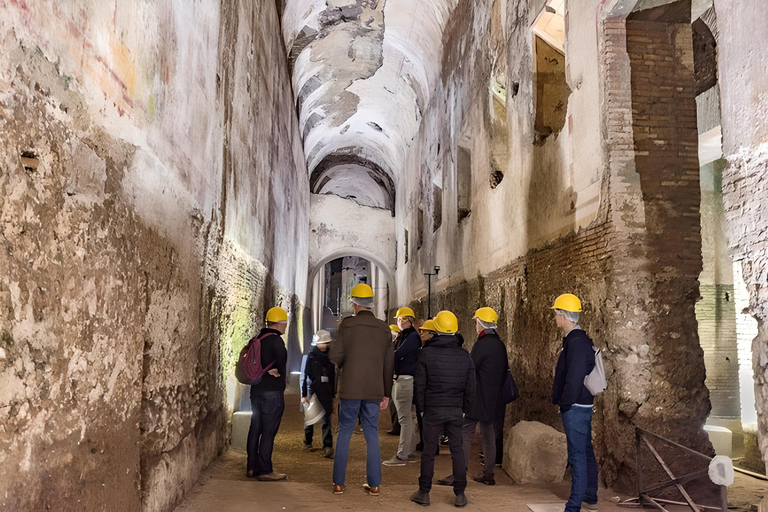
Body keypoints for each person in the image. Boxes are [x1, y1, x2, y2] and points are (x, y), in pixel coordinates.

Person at [329, 284, 395, 496]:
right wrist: (386, 392)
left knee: (345, 431)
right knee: (372, 433)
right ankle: (374, 484)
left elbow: (335, 356)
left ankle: (339, 483)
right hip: (374, 389)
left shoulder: (346, 326)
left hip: (350, 388)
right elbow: (388, 364)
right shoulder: (384, 328)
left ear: (355, 303)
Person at [410, 311, 475, 508]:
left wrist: (421, 409)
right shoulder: (464, 356)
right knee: (457, 452)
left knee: (429, 452)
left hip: (433, 410)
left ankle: (424, 492)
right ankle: (460, 494)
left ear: (436, 329)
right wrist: (464, 408)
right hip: (455, 410)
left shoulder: (425, 354)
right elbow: (471, 386)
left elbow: (419, 385)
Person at [439, 307, 507, 487]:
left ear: (481, 324)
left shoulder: (482, 344)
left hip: (477, 398)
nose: (476, 325)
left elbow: (469, 368)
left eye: (476, 322)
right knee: (489, 434)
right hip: (494, 398)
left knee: (465, 433)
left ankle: (458, 474)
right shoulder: (500, 344)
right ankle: (489, 474)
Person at [551, 293, 598, 512]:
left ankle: (574, 506)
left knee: (577, 454)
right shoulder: (577, 340)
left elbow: (574, 377)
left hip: (576, 406)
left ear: (563, 316)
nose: (555, 318)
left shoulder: (576, 342)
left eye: (556, 313)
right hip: (581, 404)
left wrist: (565, 402)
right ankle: (590, 497)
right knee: (585, 450)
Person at [246, 307, 289, 481]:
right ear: (280, 324)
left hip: (256, 390)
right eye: (285, 324)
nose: (285, 327)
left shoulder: (258, 338)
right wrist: (278, 371)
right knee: (269, 431)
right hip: (272, 393)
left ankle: (251, 467)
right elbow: (282, 361)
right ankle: (265, 470)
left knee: (255, 428)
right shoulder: (276, 341)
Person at [383, 307, 421, 467]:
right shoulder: (406, 336)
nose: (400, 322)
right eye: (399, 319)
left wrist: (389, 348)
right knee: (409, 417)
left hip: (404, 380)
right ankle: (410, 450)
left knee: (404, 418)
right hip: (405, 379)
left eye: (403, 319)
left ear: (410, 320)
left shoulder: (411, 337)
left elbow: (397, 355)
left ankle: (402, 455)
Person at [302, 330, 336, 458]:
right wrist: (304, 394)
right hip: (314, 389)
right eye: (322, 343)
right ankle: (308, 440)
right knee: (310, 417)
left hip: (326, 390)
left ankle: (327, 446)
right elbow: (305, 375)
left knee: (326, 418)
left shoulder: (330, 358)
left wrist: (333, 393)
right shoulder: (311, 357)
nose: (324, 346)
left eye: (326, 343)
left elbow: (333, 377)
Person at [387, 325, 402, 436]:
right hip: (394, 376)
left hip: (396, 377)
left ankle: (397, 427)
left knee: (396, 403)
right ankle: (395, 426)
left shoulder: (397, 345)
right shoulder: (395, 344)